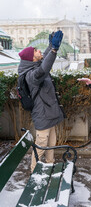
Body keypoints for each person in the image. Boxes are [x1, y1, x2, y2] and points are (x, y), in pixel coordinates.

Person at [18, 30, 65, 172]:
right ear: (32, 59)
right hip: (43, 116)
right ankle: (34, 171)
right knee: (41, 146)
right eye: (36, 51)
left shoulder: (34, 66)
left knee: (51, 144)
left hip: (49, 114)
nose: (39, 51)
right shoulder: (32, 75)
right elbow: (45, 67)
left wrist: (51, 44)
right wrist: (54, 49)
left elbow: (44, 59)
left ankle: (50, 165)